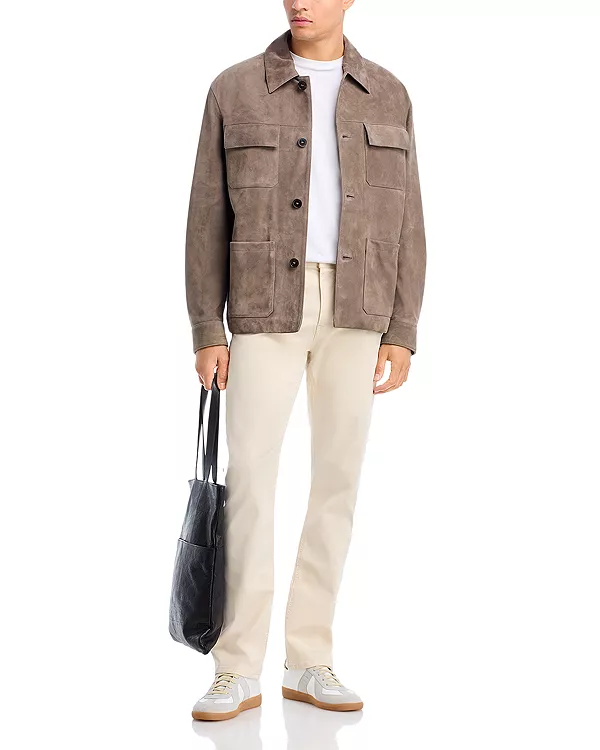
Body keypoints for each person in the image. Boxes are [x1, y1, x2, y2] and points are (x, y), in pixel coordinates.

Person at [185, 0, 426, 722]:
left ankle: (308, 659)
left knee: (336, 486)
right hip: (263, 306)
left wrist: (403, 327)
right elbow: (205, 216)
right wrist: (207, 326)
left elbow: (410, 218)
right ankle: (236, 668)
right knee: (250, 486)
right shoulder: (234, 89)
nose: (299, 0)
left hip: (358, 307)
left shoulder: (388, 93)